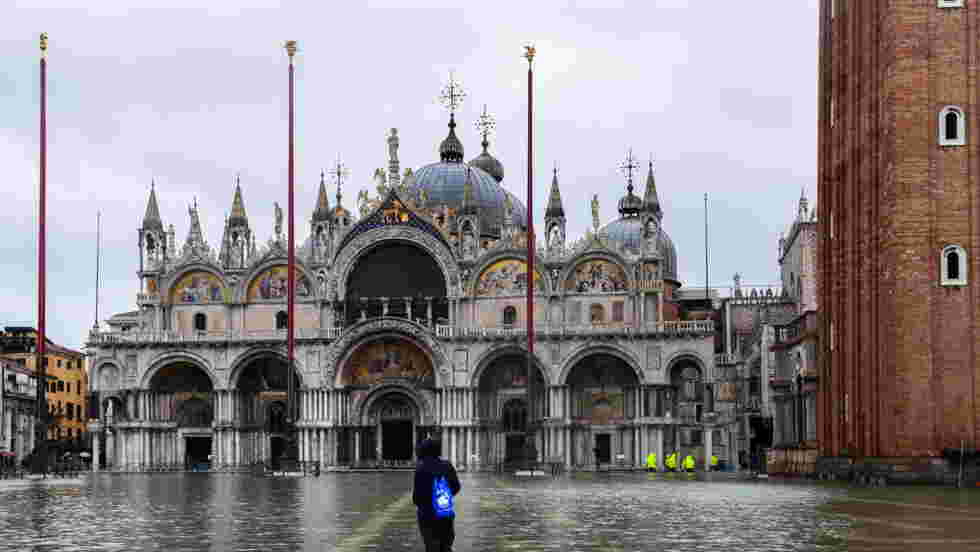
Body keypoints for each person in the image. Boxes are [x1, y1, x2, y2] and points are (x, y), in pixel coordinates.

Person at [414, 439, 461, 552]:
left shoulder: (421, 468)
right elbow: (456, 487)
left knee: (431, 547)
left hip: (427, 515)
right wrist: (444, 498)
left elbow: (416, 497)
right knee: (446, 546)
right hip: (445, 513)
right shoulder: (447, 465)